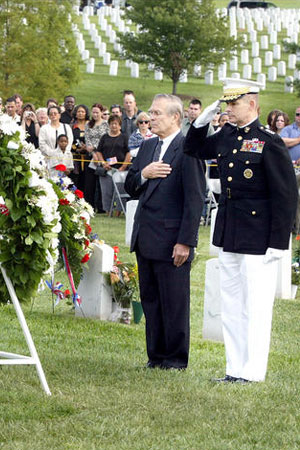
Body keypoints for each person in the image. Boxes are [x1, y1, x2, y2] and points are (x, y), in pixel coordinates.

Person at [185, 79, 298, 383]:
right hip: (231, 229)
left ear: (252, 104)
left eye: (234, 104)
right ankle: (234, 368)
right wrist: (202, 120)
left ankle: (253, 371)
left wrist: (279, 242)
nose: (229, 110)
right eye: (227, 104)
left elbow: (286, 195)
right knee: (232, 304)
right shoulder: (225, 135)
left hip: (259, 236)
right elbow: (192, 148)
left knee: (256, 307)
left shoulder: (268, 141)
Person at [125, 93, 205, 370]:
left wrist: (185, 242)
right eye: (150, 113)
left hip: (172, 240)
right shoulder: (147, 148)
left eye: (157, 113)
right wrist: (143, 174)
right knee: (151, 300)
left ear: (175, 117)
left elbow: (195, 200)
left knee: (174, 302)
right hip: (146, 236)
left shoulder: (187, 149)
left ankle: (174, 359)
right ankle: (155, 356)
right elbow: (131, 186)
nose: (150, 117)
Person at [94, 115, 131, 214]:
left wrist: (123, 166)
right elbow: (98, 151)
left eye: (116, 124)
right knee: (106, 191)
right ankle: (108, 212)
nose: (114, 126)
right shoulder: (104, 137)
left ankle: (119, 211)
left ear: (119, 125)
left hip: (120, 169)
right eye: (112, 124)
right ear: (109, 125)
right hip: (107, 169)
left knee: (120, 190)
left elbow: (129, 152)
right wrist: (103, 163)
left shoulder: (124, 137)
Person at [84, 103, 108, 209]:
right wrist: (93, 153)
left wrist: (97, 151)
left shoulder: (106, 124)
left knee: (102, 183)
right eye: (93, 112)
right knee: (90, 183)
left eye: (97, 112)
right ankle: (90, 205)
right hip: (91, 157)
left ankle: (102, 206)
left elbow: (106, 140)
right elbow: (87, 141)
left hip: (103, 155)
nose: (95, 114)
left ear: (101, 113)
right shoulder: (88, 125)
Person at [39, 106, 74, 173]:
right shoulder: (44, 128)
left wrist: (62, 154)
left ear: (59, 115)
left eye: (55, 113)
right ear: (48, 116)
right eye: (51, 114)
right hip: (49, 160)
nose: (53, 115)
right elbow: (42, 144)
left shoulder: (66, 127)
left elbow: (69, 142)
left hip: (64, 160)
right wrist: (53, 154)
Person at [71, 104, 90, 193]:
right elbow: (69, 141)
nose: (80, 113)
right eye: (78, 111)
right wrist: (76, 149)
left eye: (82, 111)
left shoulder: (90, 125)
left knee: (88, 182)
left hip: (88, 157)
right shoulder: (71, 126)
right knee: (76, 181)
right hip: (76, 158)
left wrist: (87, 147)